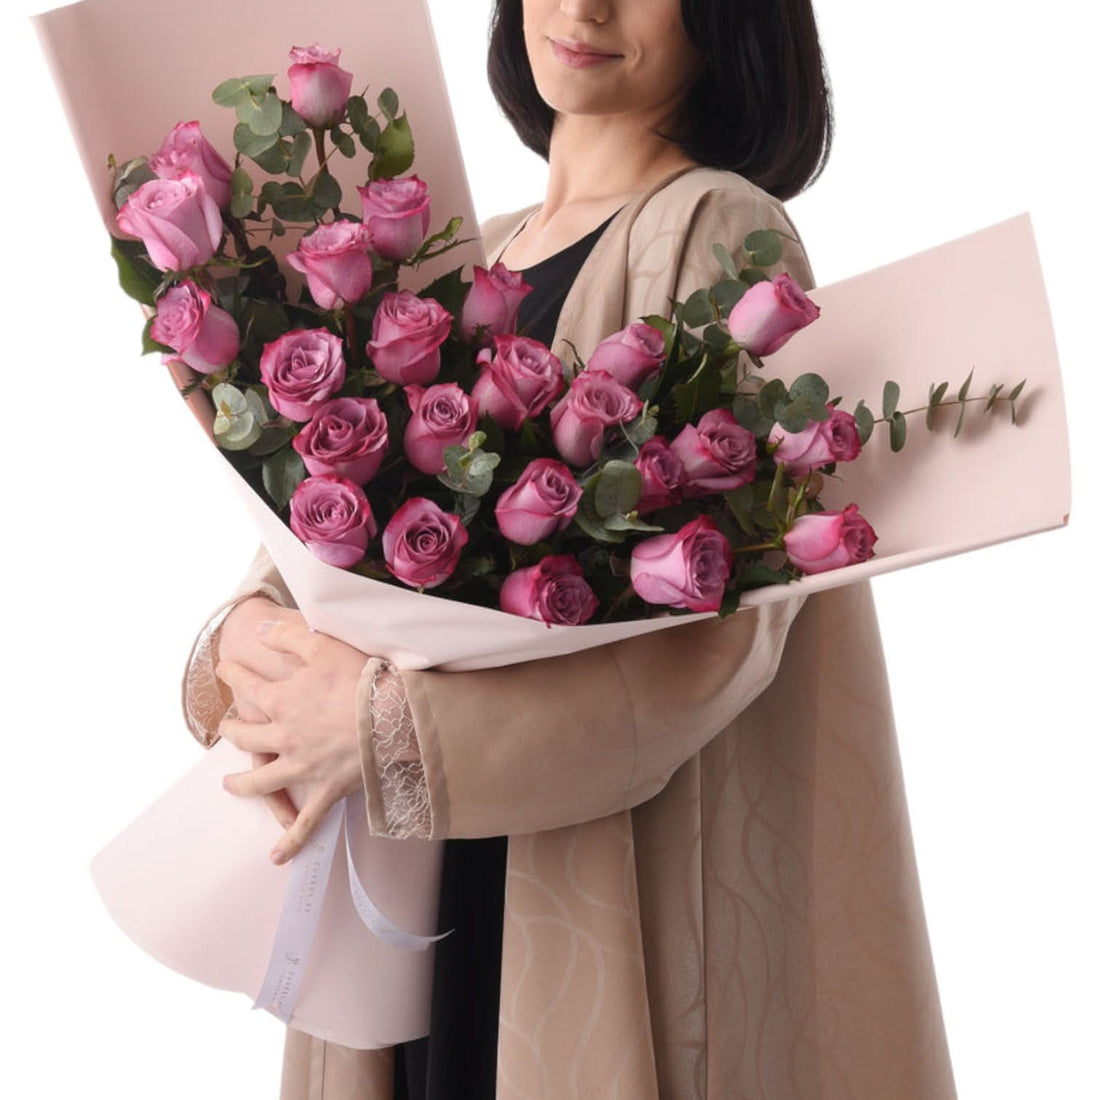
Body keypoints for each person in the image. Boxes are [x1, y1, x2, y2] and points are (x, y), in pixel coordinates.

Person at [186, 1, 958, 1097]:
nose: (584, 5)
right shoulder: (465, 247)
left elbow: (710, 640)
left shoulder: (717, 225)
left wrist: (386, 728)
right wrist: (253, 635)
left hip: (568, 866)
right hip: (417, 874)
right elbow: (325, 545)